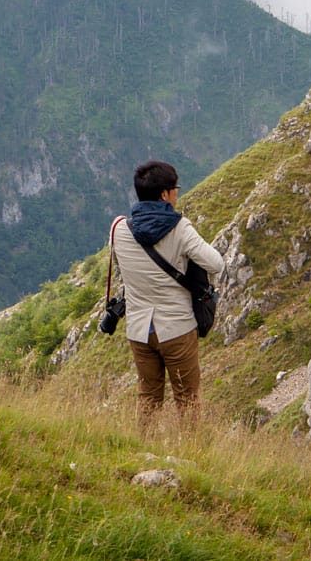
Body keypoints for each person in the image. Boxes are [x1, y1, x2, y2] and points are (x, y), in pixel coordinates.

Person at [112, 159, 224, 427]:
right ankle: (190, 456)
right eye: (176, 189)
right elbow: (216, 263)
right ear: (165, 194)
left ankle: (144, 452)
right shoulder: (180, 229)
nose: (177, 193)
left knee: (148, 398)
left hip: (139, 329)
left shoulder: (118, 229)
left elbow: (120, 266)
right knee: (187, 399)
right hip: (176, 329)